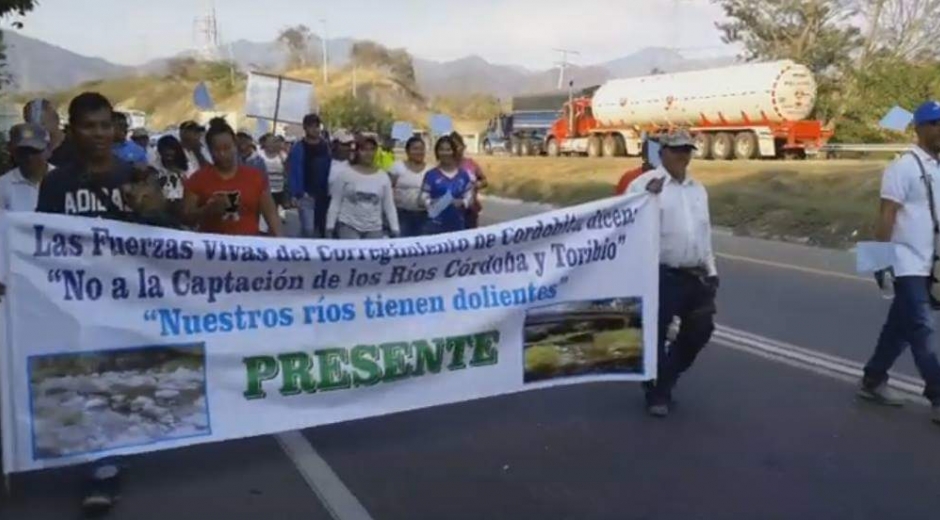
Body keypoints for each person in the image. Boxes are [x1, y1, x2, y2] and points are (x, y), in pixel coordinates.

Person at [32, 91, 180, 515]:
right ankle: (102, 464)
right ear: (73, 130)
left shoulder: (135, 175)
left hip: (128, 298)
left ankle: (108, 462)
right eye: (88, 126)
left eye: (104, 126)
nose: (97, 134)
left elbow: (167, 235)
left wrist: (145, 210)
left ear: (114, 128)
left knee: (120, 375)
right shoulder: (57, 182)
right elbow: (41, 241)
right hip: (77, 300)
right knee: (88, 376)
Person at [627, 129, 719, 418]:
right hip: (660, 276)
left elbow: (703, 234)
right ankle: (657, 391)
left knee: (700, 331)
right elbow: (625, 227)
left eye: (687, 150)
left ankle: (665, 377)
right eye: (677, 150)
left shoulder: (697, 189)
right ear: (662, 152)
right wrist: (645, 199)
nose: (683, 155)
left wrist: (712, 270)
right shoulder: (643, 186)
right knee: (654, 336)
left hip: (696, 274)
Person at [859, 100, 940, 425]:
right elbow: (886, 214)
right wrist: (878, 263)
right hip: (905, 263)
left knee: (900, 328)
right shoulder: (902, 167)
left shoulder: (937, 168)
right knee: (921, 328)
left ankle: (872, 379)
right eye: (934, 123)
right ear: (919, 128)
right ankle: (938, 397)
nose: (939, 129)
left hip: (930, 265)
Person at [183, 118, 283, 237]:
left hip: (247, 248)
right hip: (212, 249)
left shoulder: (255, 177)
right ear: (210, 150)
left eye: (227, 148)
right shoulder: (197, 179)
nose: (222, 154)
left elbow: (271, 216)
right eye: (217, 150)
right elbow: (186, 218)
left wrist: (281, 243)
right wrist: (207, 210)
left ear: (235, 145)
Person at [326, 134, 399, 239]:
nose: (368, 154)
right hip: (348, 225)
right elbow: (335, 202)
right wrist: (330, 226)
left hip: (374, 228)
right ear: (357, 152)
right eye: (364, 150)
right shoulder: (345, 174)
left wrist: (395, 228)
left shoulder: (383, 177)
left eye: (372, 150)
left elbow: (389, 205)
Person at [287, 113, 332, 238]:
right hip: (306, 195)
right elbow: (293, 171)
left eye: (317, 126)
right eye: (311, 126)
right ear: (305, 128)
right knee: (308, 229)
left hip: (323, 195)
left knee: (321, 229)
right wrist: (296, 193)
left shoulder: (326, 146)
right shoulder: (298, 147)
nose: (315, 129)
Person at [421, 135, 474, 235]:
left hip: (458, 227)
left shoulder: (463, 175)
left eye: (448, 149)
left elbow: (470, 197)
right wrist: (431, 202)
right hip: (434, 228)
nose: (445, 153)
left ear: (453, 151)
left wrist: (463, 202)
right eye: (441, 149)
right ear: (437, 152)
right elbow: (423, 198)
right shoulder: (430, 175)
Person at [0, 123, 53, 211]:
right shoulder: (3, 186)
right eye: (23, 152)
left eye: (35, 151)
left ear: (48, 150)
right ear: (13, 152)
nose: (29, 157)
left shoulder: (65, 180)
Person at [389, 135, 431, 237]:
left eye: (421, 149)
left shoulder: (430, 170)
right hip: (401, 214)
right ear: (407, 151)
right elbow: (387, 189)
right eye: (415, 149)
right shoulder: (397, 166)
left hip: (424, 215)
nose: (419, 152)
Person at [450, 132, 487, 228]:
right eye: (453, 147)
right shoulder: (444, 166)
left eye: (458, 146)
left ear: (463, 147)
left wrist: (477, 185)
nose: (457, 150)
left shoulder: (470, 164)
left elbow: (484, 181)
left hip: (471, 211)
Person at [23, 98, 71, 167]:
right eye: (30, 123)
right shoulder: (28, 151)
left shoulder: (76, 147)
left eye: (43, 123)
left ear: (56, 119)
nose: (39, 129)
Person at [153, 135, 190, 214]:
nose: (168, 152)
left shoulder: (187, 167)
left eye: (171, 149)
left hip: (182, 206)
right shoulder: (155, 168)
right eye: (165, 150)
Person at [259, 133, 288, 208]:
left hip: (278, 191)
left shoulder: (283, 156)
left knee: (273, 211)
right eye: (269, 142)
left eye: (274, 142)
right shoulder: (259, 155)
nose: (272, 144)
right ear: (265, 143)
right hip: (262, 190)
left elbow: (286, 173)